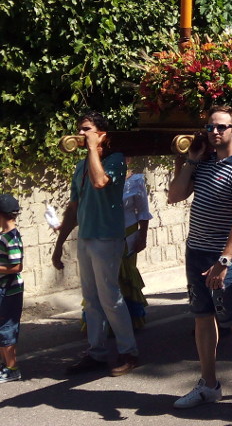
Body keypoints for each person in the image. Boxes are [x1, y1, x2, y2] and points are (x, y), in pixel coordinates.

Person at [168, 106, 232, 409]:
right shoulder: (204, 163)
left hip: (224, 257)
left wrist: (223, 261)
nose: (215, 132)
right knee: (202, 316)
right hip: (196, 251)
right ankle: (209, 384)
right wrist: (190, 161)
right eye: (211, 127)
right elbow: (175, 195)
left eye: (222, 127)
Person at [52, 111, 139, 377]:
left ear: (102, 134)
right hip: (87, 237)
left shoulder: (115, 161)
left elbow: (100, 181)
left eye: (86, 129)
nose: (81, 134)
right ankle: (96, 352)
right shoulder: (80, 166)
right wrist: (59, 246)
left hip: (107, 238)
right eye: (80, 129)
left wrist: (93, 149)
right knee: (90, 300)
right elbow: (73, 208)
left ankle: (128, 352)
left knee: (110, 297)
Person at [120, 168, 152, 329]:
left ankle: (131, 320)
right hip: (107, 235)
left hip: (129, 235)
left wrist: (143, 237)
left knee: (127, 276)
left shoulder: (136, 181)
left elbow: (143, 212)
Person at [0, 194, 23, 383]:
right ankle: (6, 364)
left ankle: (12, 368)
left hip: (9, 290)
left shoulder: (11, 238)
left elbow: (17, 266)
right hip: (4, 288)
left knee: (6, 328)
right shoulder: (5, 236)